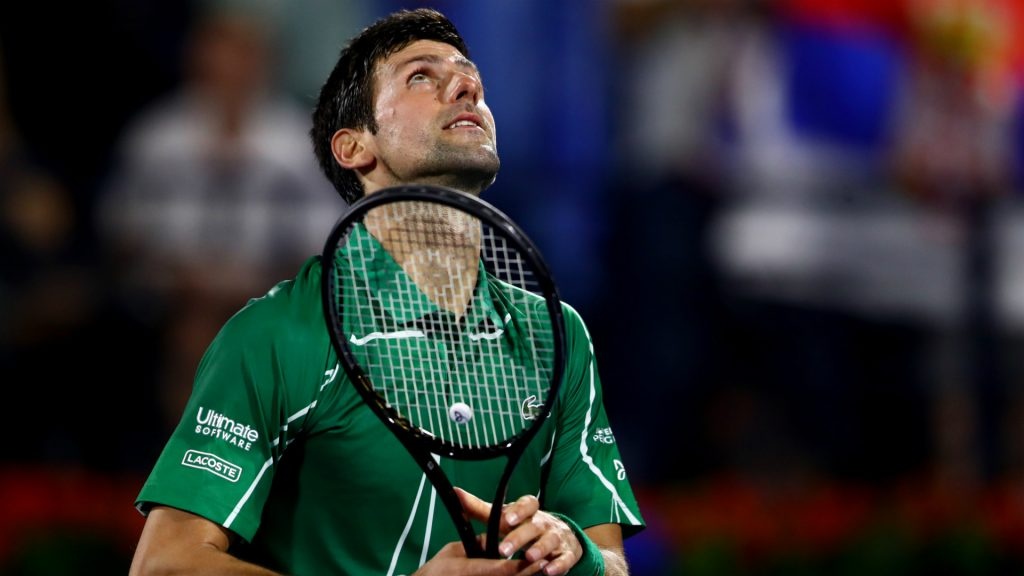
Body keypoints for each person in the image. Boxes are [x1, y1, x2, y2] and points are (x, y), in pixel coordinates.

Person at [129, 8, 645, 576]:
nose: (467, 85)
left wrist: (577, 551)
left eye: (472, 77)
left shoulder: (555, 334)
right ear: (353, 147)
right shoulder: (278, 334)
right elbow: (166, 563)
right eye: (421, 75)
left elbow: (613, 562)